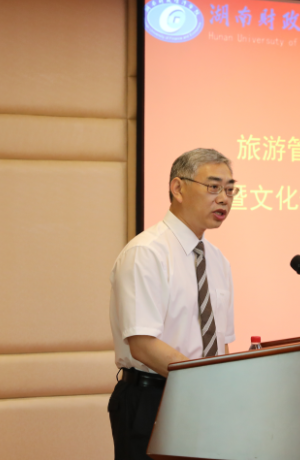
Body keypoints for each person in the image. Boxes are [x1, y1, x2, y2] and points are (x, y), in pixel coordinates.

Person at [108, 148, 238, 460]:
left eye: (230, 189)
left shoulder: (217, 261)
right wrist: (204, 382)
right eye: (214, 187)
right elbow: (142, 345)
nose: (224, 198)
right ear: (178, 188)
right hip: (152, 398)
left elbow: (220, 343)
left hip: (204, 399)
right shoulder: (146, 253)